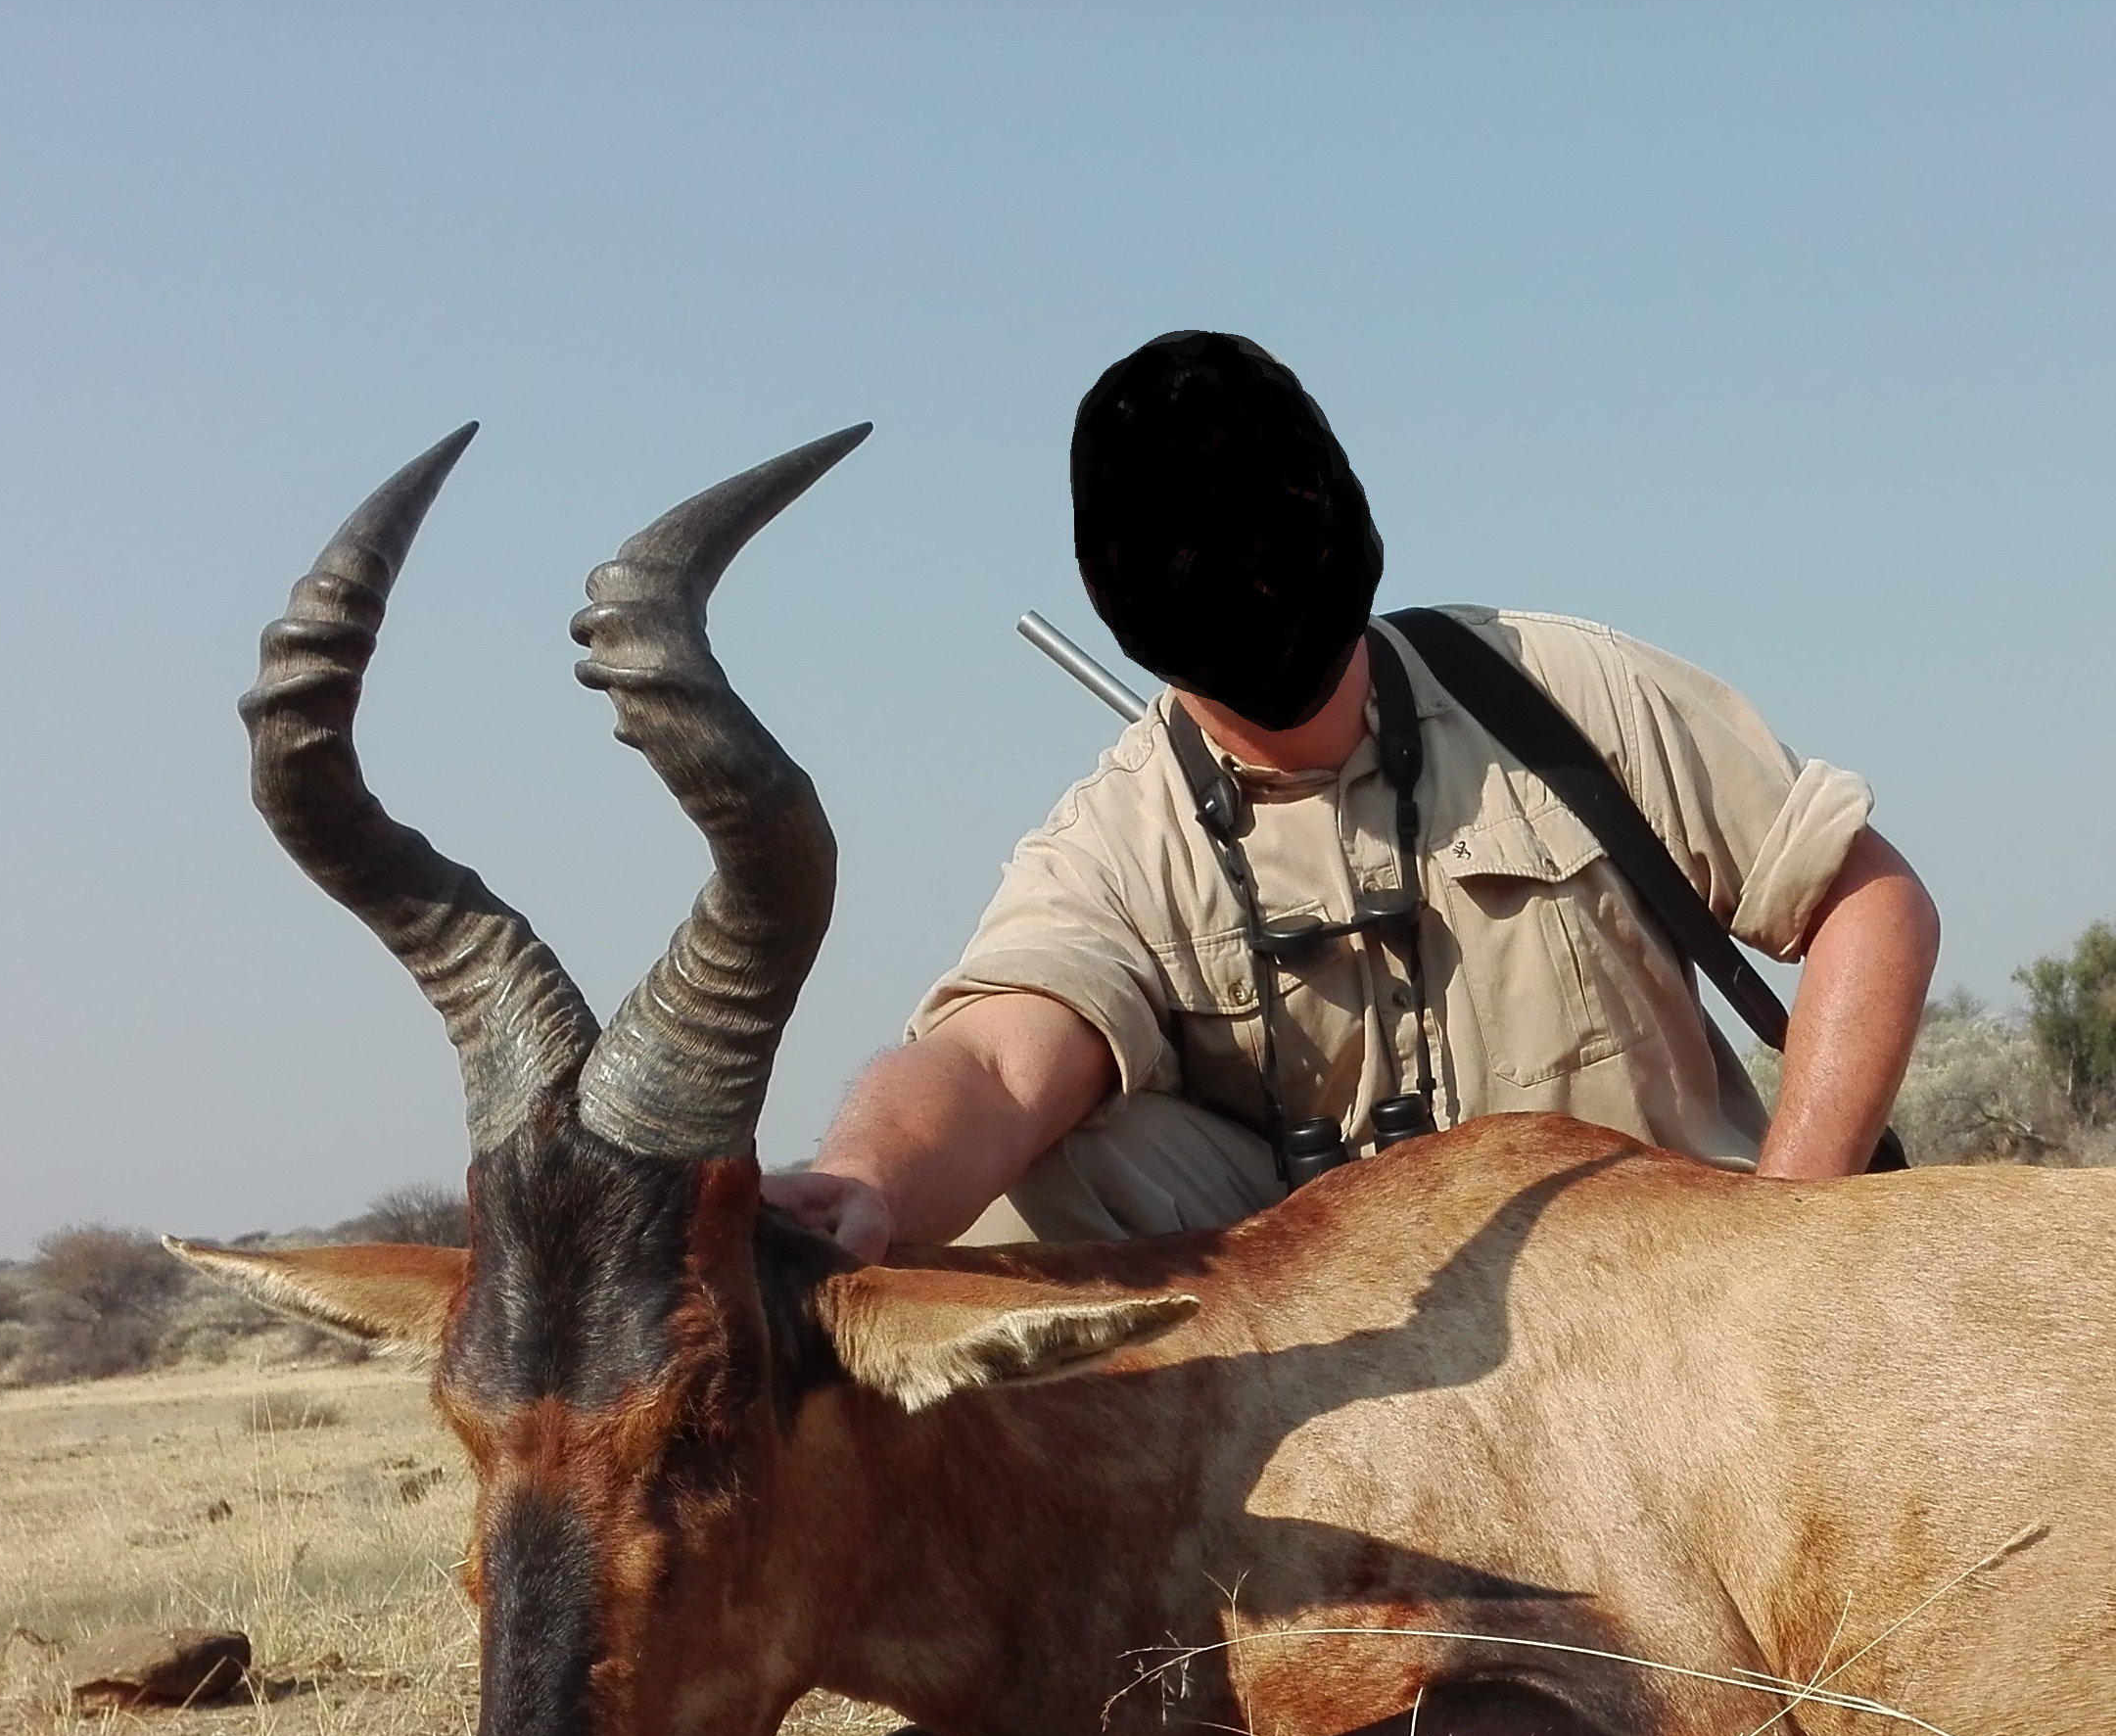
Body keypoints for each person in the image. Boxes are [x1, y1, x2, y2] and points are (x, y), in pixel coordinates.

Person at [763, 332, 1939, 1262]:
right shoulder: (1118, 843)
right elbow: (992, 1068)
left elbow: (1870, 904)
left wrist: (1780, 1246)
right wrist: (864, 1180)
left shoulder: (1555, 688)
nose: (1253, 575)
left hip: (1671, 1296)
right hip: (1368, 1363)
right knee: (1035, 1184)